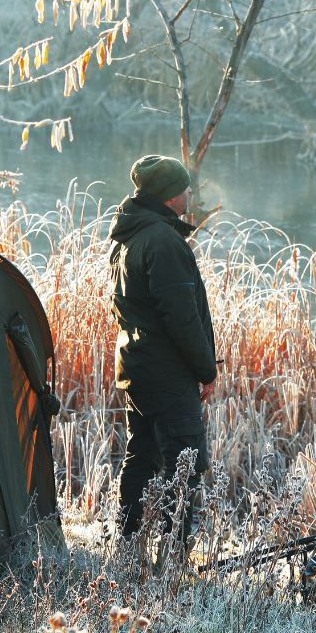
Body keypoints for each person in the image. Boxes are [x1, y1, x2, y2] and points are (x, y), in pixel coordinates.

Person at [109, 154, 217, 545]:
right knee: (185, 463)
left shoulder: (131, 237)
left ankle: (126, 543)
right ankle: (174, 558)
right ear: (171, 195)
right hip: (167, 374)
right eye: (185, 186)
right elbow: (181, 318)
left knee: (142, 456)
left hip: (137, 367)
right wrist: (206, 369)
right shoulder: (162, 241)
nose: (190, 192)